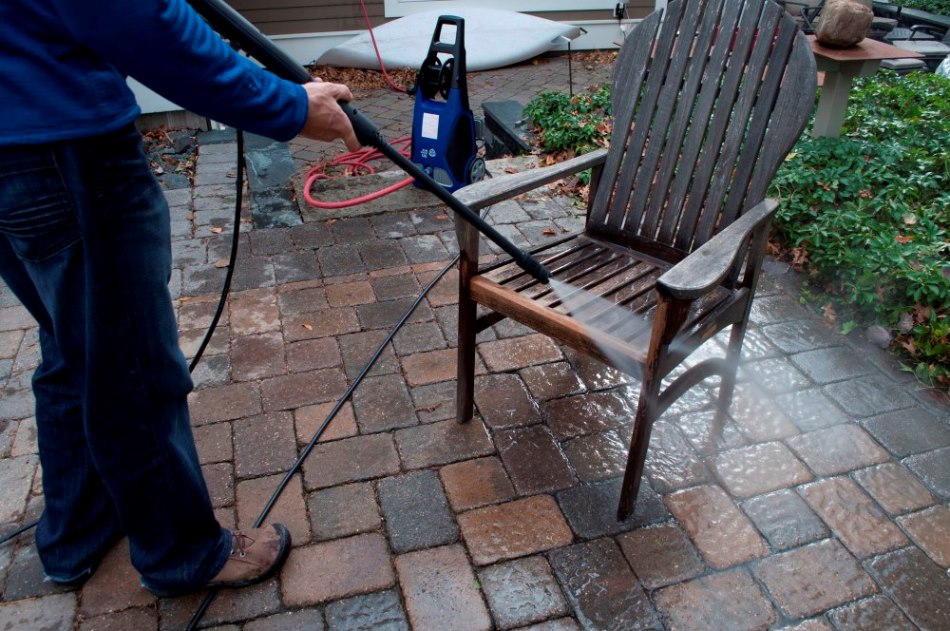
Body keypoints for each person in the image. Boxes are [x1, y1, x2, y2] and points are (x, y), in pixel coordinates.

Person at [0, 0, 358, 596]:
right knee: (130, 368)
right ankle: (183, 554)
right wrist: (287, 105)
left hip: (16, 147)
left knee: (72, 348)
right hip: (66, 151)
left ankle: (77, 534)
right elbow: (141, 18)